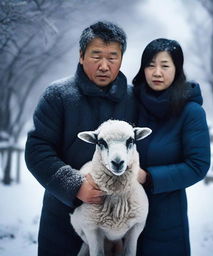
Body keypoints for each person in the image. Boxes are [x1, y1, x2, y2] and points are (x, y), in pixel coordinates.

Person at [25, 21, 136, 256]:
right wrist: (74, 186)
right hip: (63, 214)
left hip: (117, 223)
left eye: (112, 57)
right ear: (81, 55)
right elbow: (38, 149)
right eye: (96, 56)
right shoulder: (58, 95)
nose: (104, 66)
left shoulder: (133, 98)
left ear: (121, 59)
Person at [133, 38, 211, 256]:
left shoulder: (191, 112)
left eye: (165, 65)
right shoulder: (130, 103)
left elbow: (198, 165)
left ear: (177, 69)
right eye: (151, 65)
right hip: (124, 216)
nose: (157, 72)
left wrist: (149, 177)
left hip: (166, 217)